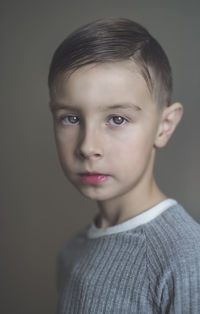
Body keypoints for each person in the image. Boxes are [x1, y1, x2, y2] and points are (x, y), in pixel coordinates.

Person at [48, 18, 200, 313]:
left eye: (117, 119)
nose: (88, 146)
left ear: (164, 126)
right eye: (71, 118)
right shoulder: (71, 254)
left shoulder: (187, 257)